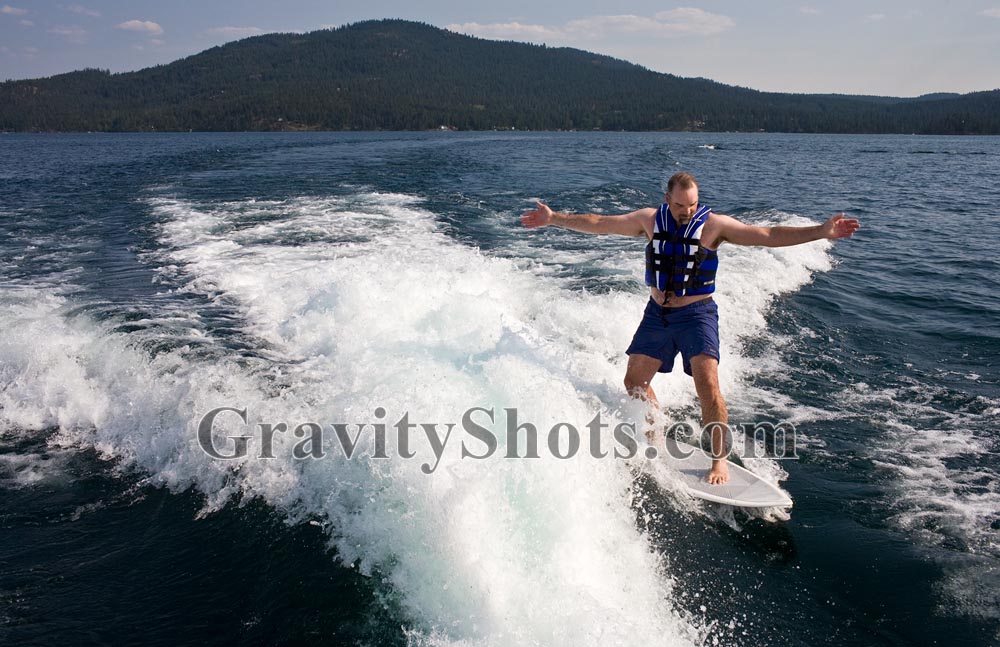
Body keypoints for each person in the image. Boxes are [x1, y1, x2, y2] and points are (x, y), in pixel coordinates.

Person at [520, 172, 859, 484]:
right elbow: (600, 224)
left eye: (692, 204)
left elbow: (767, 235)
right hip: (658, 314)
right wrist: (554, 219)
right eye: (680, 204)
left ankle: (719, 461)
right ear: (667, 199)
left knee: (708, 387)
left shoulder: (714, 225)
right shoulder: (649, 220)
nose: (686, 210)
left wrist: (820, 231)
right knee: (634, 381)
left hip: (697, 314)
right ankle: (655, 431)